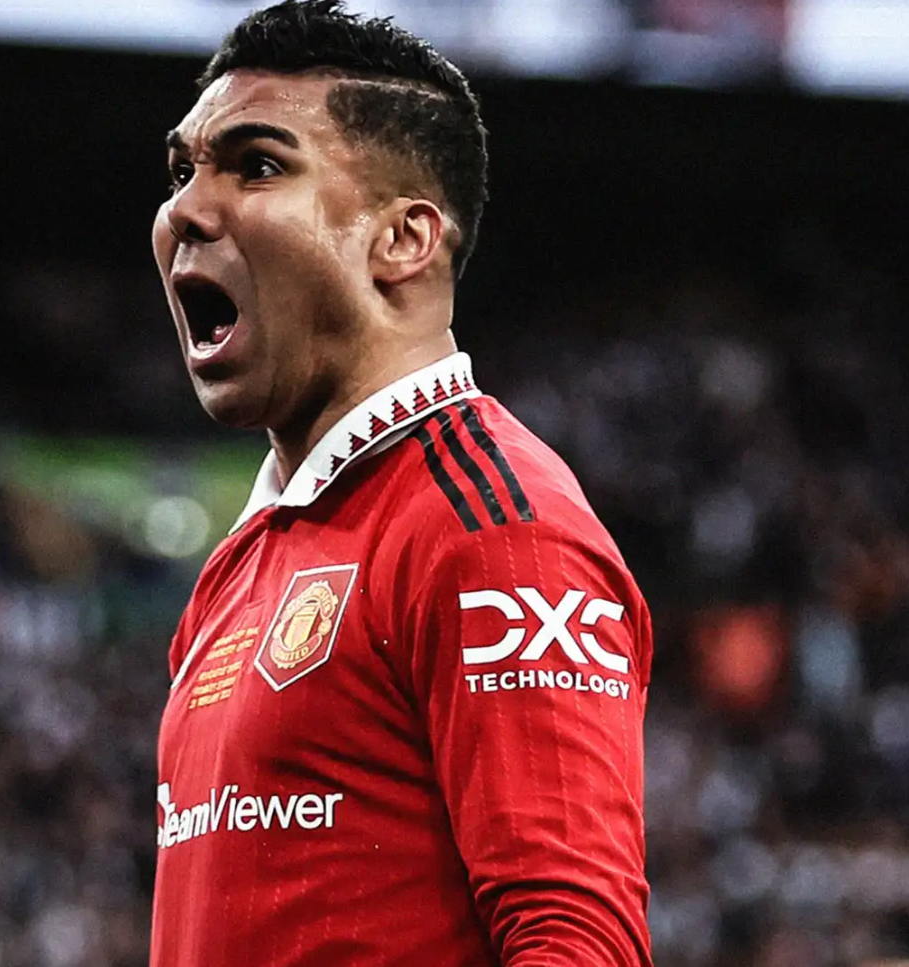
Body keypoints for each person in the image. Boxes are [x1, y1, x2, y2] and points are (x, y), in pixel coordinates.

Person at [149, 2, 654, 965]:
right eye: (182, 173)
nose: (186, 211)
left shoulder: (496, 529)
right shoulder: (237, 568)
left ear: (403, 240)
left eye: (257, 166)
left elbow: (577, 940)